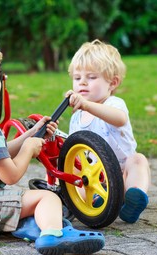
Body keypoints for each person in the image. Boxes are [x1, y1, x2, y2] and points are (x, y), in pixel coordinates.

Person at [0, 36, 105, 255]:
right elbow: (10, 176)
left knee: (26, 202)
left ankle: (30, 226)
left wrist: (32, 133)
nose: (0, 81)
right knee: (47, 197)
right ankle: (53, 235)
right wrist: (28, 150)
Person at [65, 39, 151, 223]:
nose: (83, 83)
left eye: (91, 77)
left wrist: (87, 105)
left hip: (122, 173)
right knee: (71, 178)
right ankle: (72, 205)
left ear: (112, 83)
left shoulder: (113, 103)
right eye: (77, 78)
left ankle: (132, 198)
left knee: (138, 160)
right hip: (94, 177)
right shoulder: (76, 118)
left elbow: (120, 119)